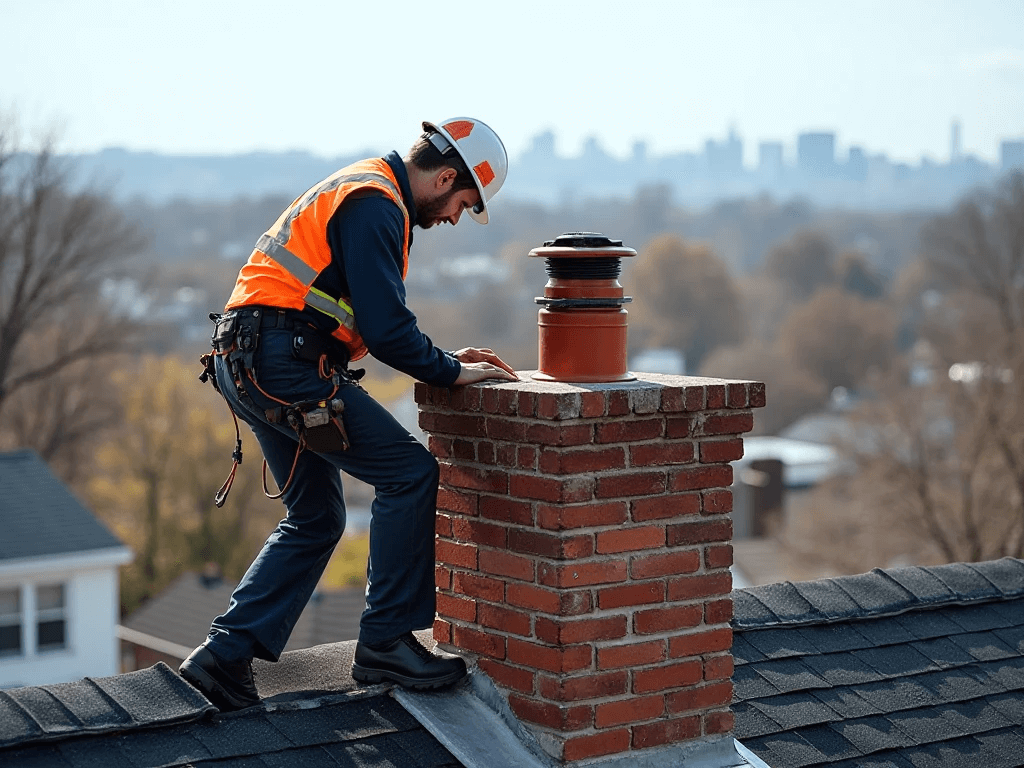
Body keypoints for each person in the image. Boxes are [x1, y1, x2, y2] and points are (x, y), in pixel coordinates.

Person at [179, 118, 518, 712]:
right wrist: (449, 371)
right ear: (443, 178)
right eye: (463, 204)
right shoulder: (376, 202)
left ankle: (223, 658)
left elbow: (361, 315)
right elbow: (388, 330)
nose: (454, 218)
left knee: (316, 516)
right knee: (409, 474)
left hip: (251, 359)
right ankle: (386, 641)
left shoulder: (361, 186)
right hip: (284, 362)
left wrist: (442, 356)